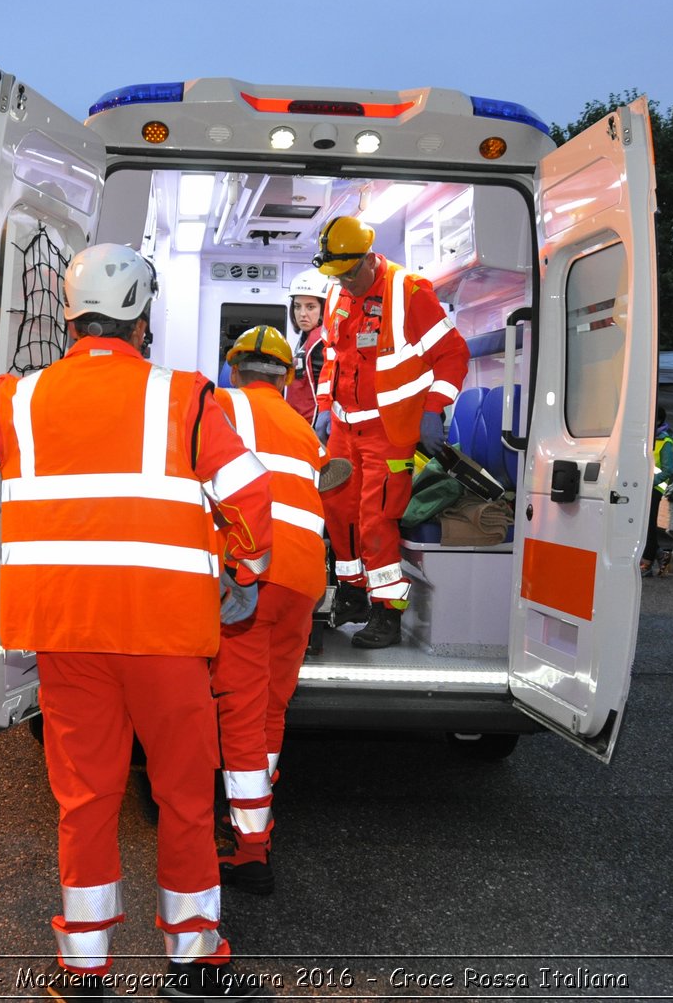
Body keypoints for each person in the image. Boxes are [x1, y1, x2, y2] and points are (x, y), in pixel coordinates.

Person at [0, 243, 274, 1001]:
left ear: (71, 318)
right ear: (143, 319)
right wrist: (244, 577)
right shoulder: (187, 396)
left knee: (85, 799)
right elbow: (246, 492)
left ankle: (82, 971)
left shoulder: (17, 398)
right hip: (166, 637)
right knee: (182, 795)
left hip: (65, 634)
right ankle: (194, 963)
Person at [311, 215, 470, 648]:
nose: (343, 282)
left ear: (366, 260)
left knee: (376, 521)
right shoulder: (336, 295)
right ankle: (352, 595)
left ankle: (387, 614)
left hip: (390, 432)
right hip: (344, 430)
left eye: (347, 273)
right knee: (338, 512)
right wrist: (325, 407)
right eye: (335, 275)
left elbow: (453, 355)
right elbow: (333, 358)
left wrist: (433, 409)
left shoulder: (409, 292)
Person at [211, 326, 328, 898]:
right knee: (271, 707)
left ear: (234, 371)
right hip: (305, 581)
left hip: (254, 576)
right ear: (285, 380)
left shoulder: (220, 404)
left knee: (239, 707)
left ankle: (251, 849)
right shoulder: (303, 428)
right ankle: (258, 810)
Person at [282, 268, 330, 425]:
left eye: (310, 307)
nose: (302, 313)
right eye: (297, 306)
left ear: (324, 308)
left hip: (313, 426)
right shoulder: (306, 339)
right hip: (299, 424)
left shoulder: (320, 342)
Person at [640, 406, 673, 576]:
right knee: (643, 525)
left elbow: (668, 469)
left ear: (658, 421)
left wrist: (650, 482)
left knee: (648, 525)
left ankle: (647, 564)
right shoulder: (643, 438)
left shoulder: (665, 441)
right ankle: (661, 554)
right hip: (639, 487)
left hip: (654, 489)